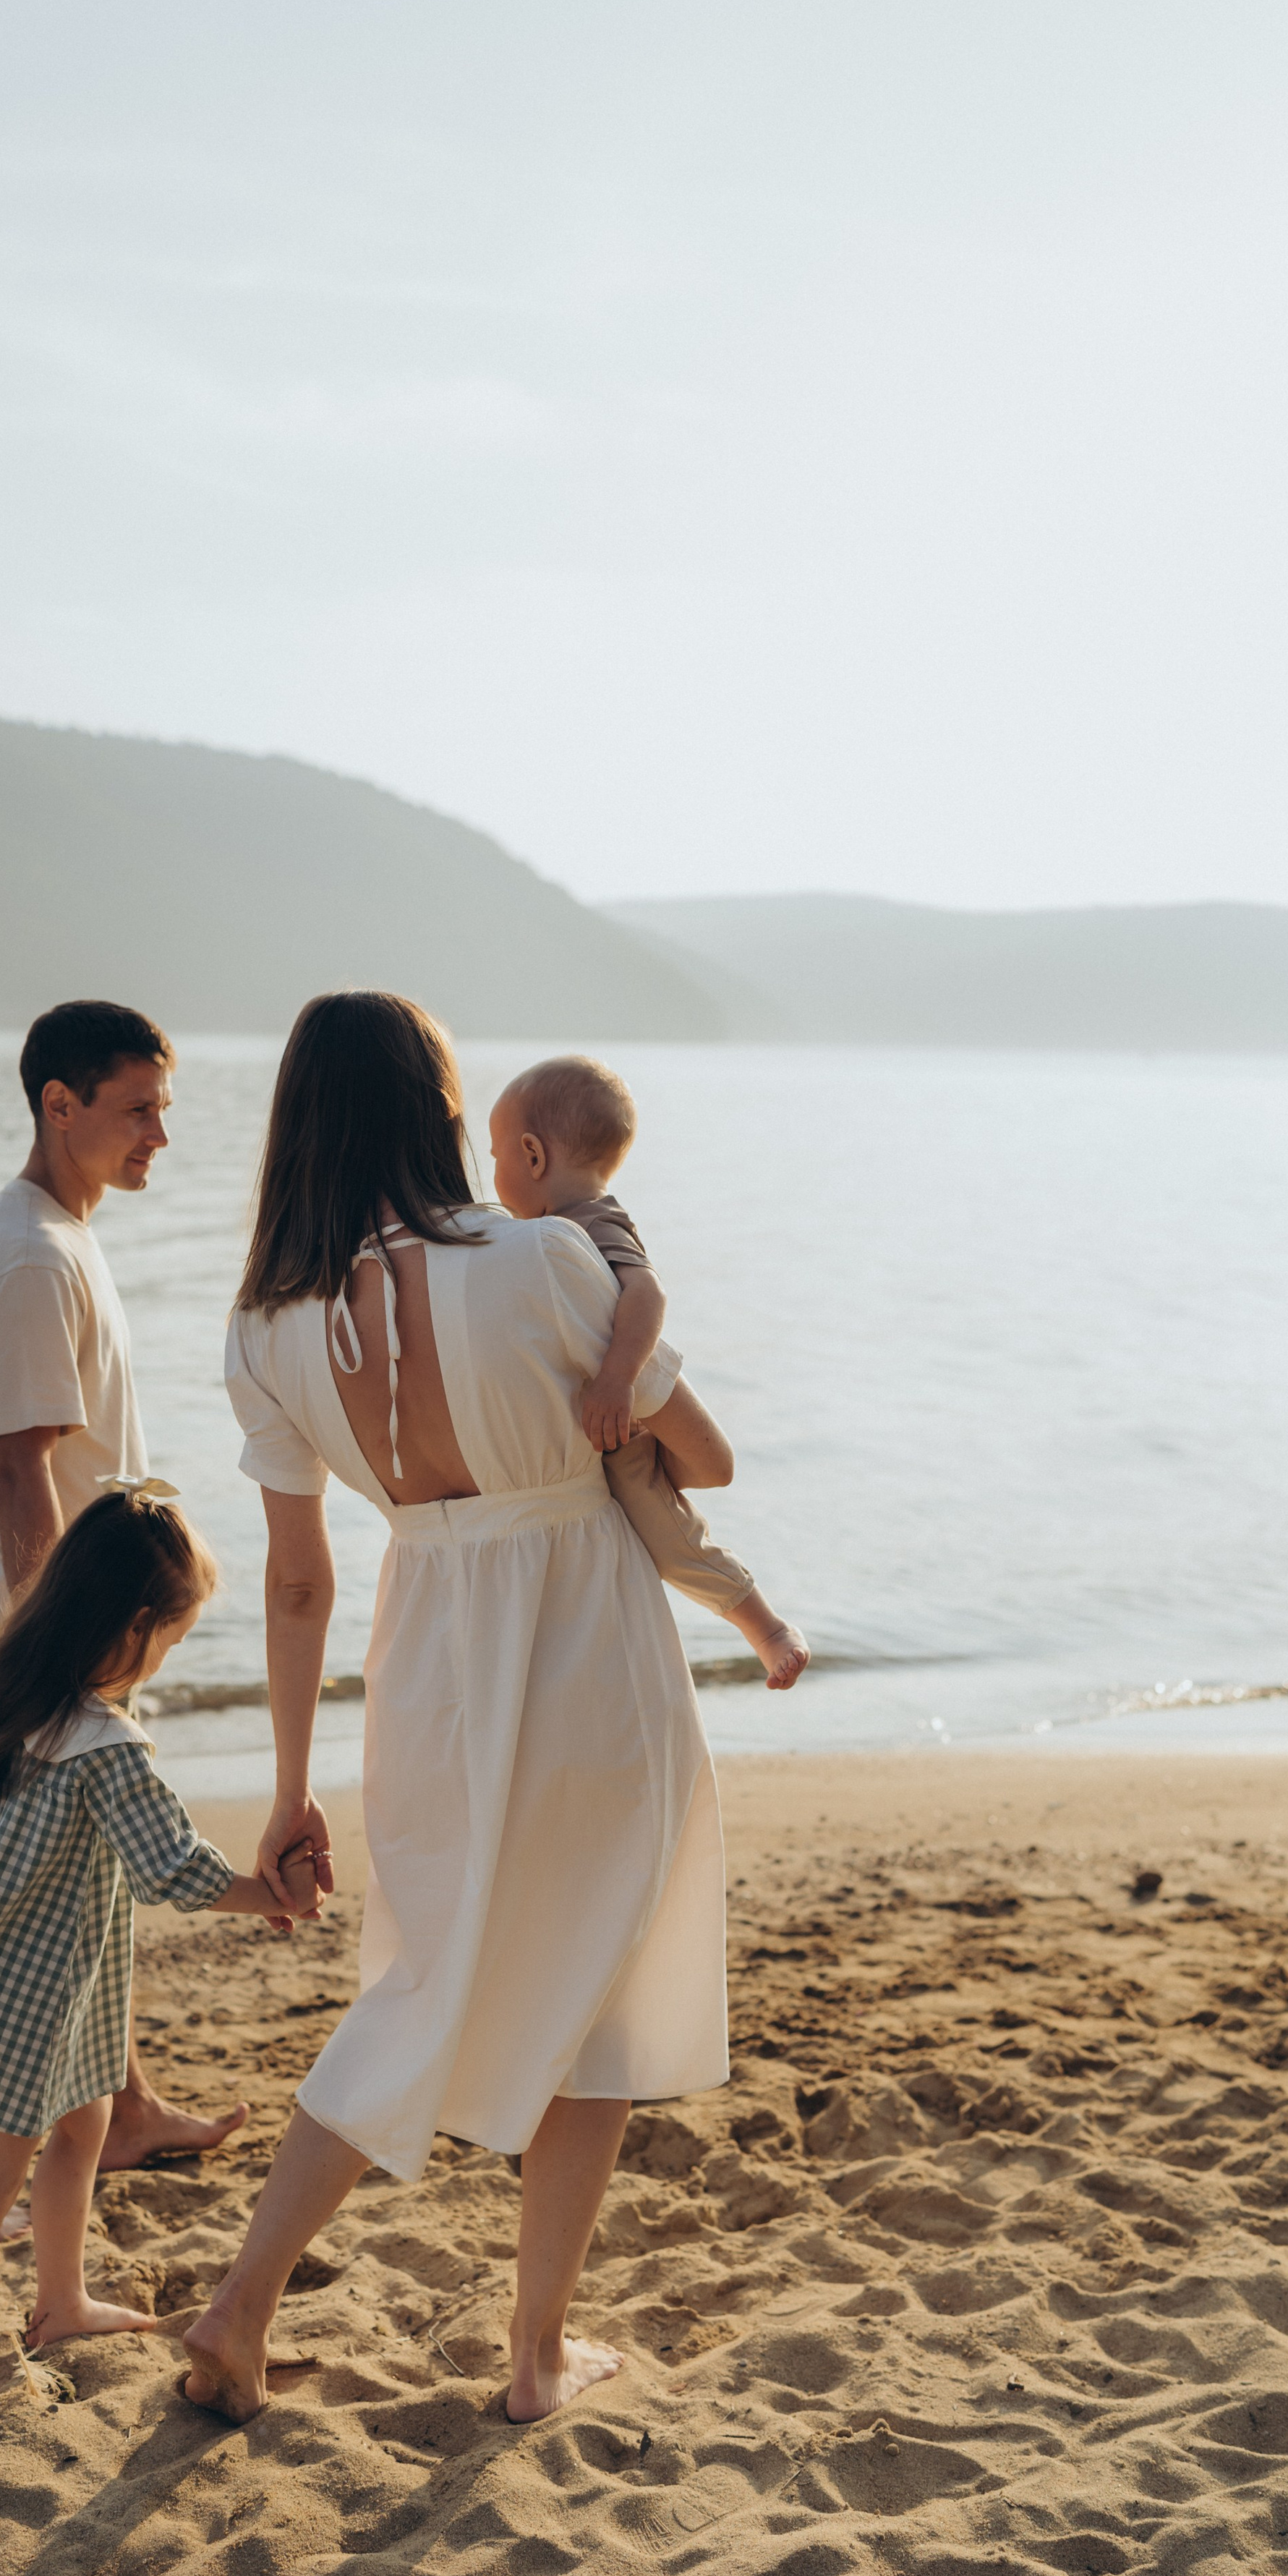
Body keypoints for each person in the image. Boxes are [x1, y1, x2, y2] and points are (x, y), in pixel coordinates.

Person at [178, 990, 732, 2428]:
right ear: (438, 1107)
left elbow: (293, 1586)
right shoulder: (541, 1255)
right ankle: (535, 2358)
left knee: (418, 1981)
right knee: (598, 1981)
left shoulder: (265, 1325)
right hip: (584, 1638)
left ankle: (242, 2303)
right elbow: (699, 1452)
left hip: (423, 1651)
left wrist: (292, 1787)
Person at [0, 998, 244, 2262]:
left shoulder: (61, 1235)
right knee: (2, 1922)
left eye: (165, 1109)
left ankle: (124, 2107)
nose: (159, 1134)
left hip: (62, 1629)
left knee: (72, 1902)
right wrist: (63, 1665)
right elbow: (27, 1473)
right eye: (137, 1110)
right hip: (39, 1633)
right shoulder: (31, 1257)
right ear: (60, 1106)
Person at [0, 1489, 323, 2421]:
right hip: (31, 1991)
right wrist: (270, 1894)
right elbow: (171, 1869)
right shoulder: (104, 1746)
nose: (164, 1660)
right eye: (172, 1642)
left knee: (85, 2127)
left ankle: (61, 2303)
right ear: (135, 1626)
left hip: (23, 1973)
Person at [489, 1053, 809, 1691]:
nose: (492, 1170)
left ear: (531, 1155)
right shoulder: (552, 1230)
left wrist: (617, 1379)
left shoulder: (591, 1221)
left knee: (669, 1534)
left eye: (495, 1155)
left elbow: (647, 1294)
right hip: (591, 1422)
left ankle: (765, 1628)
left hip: (620, 1417)